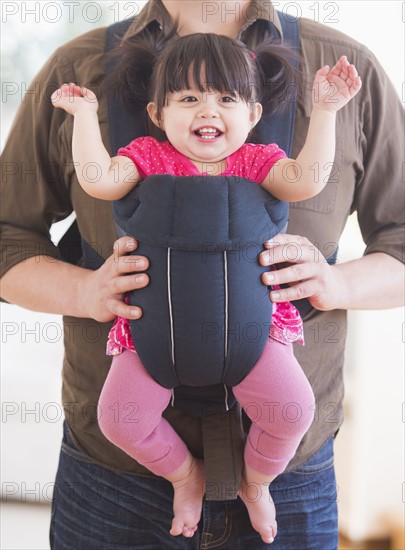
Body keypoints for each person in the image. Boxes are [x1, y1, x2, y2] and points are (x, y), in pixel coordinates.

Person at [0, 1, 403, 548]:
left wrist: (337, 283)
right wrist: (83, 290)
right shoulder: (79, 69)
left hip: (292, 484)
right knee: (123, 417)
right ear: (157, 112)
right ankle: (181, 473)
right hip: (115, 483)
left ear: (253, 114)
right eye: (187, 97)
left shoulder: (345, 68)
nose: (205, 111)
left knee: (290, 411)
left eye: (224, 98)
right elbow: (8, 236)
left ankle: (255, 480)